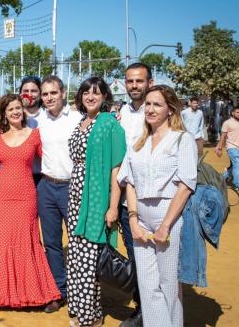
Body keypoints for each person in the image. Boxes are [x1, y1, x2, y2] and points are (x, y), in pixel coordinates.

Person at [118, 85, 197, 327]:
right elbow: (129, 181)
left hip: (168, 217)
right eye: (148, 104)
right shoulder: (139, 142)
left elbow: (186, 185)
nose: (150, 109)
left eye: (157, 105)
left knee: (169, 284)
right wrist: (132, 220)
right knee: (148, 285)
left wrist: (165, 226)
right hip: (140, 217)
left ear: (170, 109)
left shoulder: (182, 140)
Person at [0, 94, 61, 308]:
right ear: (4, 113)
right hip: (2, 196)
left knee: (26, 240)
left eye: (18, 107)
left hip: (26, 195)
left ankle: (30, 292)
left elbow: (47, 162)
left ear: (24, 109)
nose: (15, 112)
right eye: (10, 109)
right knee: (1, 239)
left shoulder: (35, 135)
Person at [66, 77, 126, 327]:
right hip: (76, 196)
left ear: (104, 98)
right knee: (76, 253)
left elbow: (116, 169)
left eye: (96, 93)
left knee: (91, 257)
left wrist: (113, 207)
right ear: (80, 97)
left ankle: (92, 315)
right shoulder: (81, 122)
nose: (90, 97)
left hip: (97, 197)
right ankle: (79, 306)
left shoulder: (109, 124)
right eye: (86, 93)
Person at [35, 76, 82, 312]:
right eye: (45, 94)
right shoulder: (38, 120)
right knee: (52, 243)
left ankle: (77, 294)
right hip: (46, 187)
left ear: (63, 93)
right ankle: (58, 291)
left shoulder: (77, 118)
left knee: (77, 242)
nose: (49, 97)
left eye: (53, 93)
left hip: (72, 187)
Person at [117, 62, 154, 326]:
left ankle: (155, 309)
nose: (134, 86)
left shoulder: (159, 111)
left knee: (153, 256)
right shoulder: (123, 112)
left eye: (139, 81)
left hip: (151, 199)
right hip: (123, 198)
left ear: (149, 82)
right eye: (130, 81)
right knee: (134, 253)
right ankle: (143, 308)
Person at [20, 76, 43, 186]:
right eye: (25, 91)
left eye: (34, 91)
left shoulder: (48, 116)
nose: (29, 94)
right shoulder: (13, 117)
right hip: (20, 176)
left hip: (42, 177)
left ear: (40, 93)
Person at [216, 106, 239, 192]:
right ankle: (237, 185)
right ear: (232, 113)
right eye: (237, 112)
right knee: (237, 164)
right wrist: (220, 147)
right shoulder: (227, 123)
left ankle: (223, 177)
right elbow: (223, 136)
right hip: (231, 147)